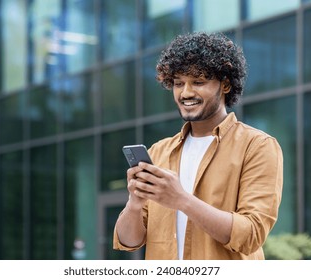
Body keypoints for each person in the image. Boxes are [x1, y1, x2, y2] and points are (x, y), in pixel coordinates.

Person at [113, 32, 283, 260]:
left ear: (224, 84)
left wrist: (181, 199)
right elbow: (129, 241)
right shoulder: (159, 151)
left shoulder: (257, 146)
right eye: (178, 83)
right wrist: (135, 203)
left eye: (198, 82)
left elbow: (251, 235)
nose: (186, 93)